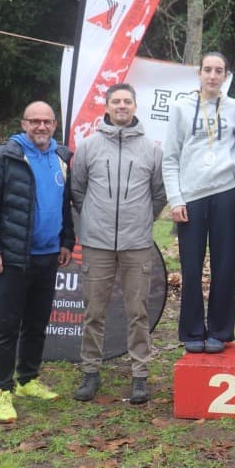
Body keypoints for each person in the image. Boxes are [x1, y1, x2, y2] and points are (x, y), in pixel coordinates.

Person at [71, 83, 165, 405]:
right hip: (97, 244)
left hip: (136, 243)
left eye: (127, 101)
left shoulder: (152, 149)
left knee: (137, 311)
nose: (122, 106)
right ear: (107, 106)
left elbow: (158, 194)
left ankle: (139, 374)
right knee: (94, 310)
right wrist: (94, 219)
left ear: (135, 106)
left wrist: (141, 219)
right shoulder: (88, 147)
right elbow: (78, 190)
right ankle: (90, 371)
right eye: (116, 101)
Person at [0, 102, 74, 423]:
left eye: (47, 121)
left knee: (37, 323)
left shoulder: (61, 157)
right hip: (13, 257)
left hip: (48, 255)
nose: (41, 126)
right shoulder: (6, 156)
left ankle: (28, 379)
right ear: (24, 124)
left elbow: (65, 205)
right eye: (35, 121)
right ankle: (1, 389)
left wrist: (66, 241)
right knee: (5, 326)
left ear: (55, 125)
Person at [163, 52, 235, 354]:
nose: (212, 75)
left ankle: (219, 331)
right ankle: (193, 330)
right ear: (199, 74)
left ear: (226, 76)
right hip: (191, 197)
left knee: (224, 265)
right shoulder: (181, 108)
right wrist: (175, 198)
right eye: (207, 69)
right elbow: (170, 157)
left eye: (218, 70)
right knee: (191, 266)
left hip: (225, 192)